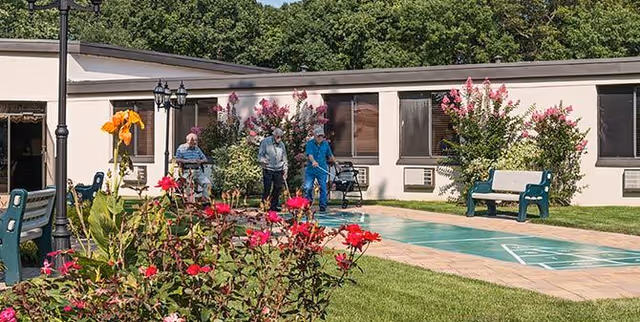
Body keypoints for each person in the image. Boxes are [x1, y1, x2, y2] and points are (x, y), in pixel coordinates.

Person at [304, 127, 336, 212]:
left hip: (322, 169)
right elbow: (309, 154)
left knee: (323, 188)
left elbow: (330, 155)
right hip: (311, 170)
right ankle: (308, 203)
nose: (320, 138)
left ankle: (322, 205)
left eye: (322, 136)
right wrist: (313, 161)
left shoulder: (325, 144)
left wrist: (336, 164)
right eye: (319, 136)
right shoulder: (310, 144)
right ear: (314, 135)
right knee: (308, 188)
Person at [258, 128, 288, 211]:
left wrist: (285, 170)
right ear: (274, 135)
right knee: (267, 188)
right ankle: (264, 206)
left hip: (278, 169)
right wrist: (263, 160)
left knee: (278, 188)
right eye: (278, 137)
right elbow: (260, 155)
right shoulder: (265, 142)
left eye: (281, 137)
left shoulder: (282, 145)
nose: (280, 139)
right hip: (268, 168)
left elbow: (284, 158)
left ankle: (273, 206)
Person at [175, 133, 212, 199]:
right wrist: (189, 161)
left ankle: (205, 200)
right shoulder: (181, 148)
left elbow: (205, 159)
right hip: (187, 171)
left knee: (207, 183)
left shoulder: (197, 149)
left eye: (196, 140)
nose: (195, 142)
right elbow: (177, 160)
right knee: (189, 185)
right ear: (187, 140)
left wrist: (200, 161)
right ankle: (190, 202)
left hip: (198, 170)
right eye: (194, 140)